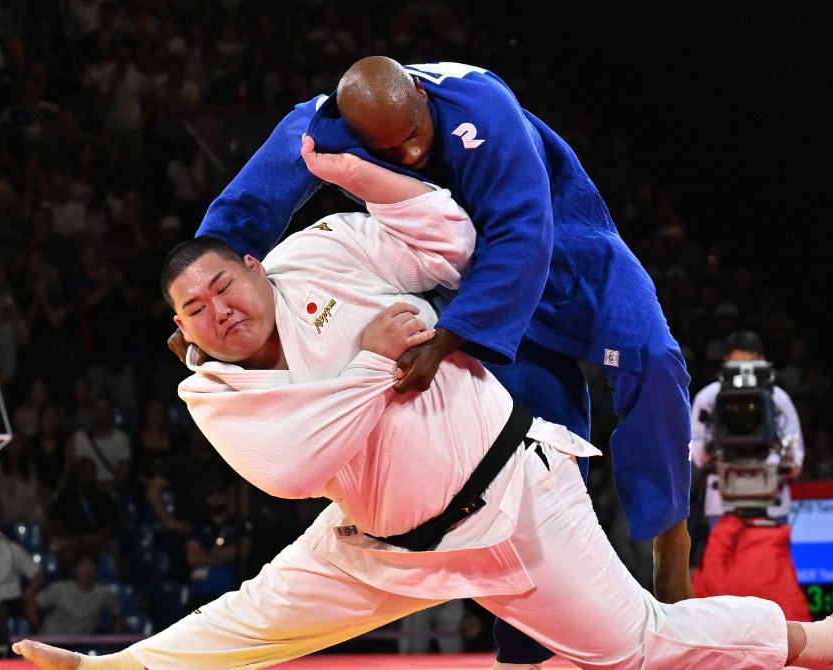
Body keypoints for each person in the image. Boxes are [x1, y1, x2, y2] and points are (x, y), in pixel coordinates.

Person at [15, 138, 833, 670]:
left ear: (250, 262)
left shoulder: (322, 251)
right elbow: (291, 466)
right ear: (181, 332)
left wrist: (357, 175)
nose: (219, 313)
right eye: (193, 312)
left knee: (632, 642)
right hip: (377, 545)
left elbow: (444, 237)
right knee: (251, 623)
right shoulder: (213, 388)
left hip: (512, 500)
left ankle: (810, 642)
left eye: (221, 286)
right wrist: (376, 364)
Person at [179, 56, 694, 668]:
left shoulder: (483, 107)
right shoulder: (319, 126)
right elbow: (236, 222)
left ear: (421, 95)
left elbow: (522, 234)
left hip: (565, 253)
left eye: (416, 133)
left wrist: (450, 338)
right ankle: (531, 646)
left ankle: (671, 538)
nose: (413, 153)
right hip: (461, 281)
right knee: (535, 443)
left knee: (655, 359)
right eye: (390, 149)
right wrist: (193, 318)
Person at [688, 330, 808, 621]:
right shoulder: (708, 398)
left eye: (753, 361)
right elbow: (696, 446)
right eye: (739, 361)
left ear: (763, 361)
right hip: (723, 501)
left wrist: (784, 460)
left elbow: (796, 452)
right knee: (723, 579)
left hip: (771, 501)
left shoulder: (778, 400)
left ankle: (778, 633)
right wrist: (713, 456)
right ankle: (723, 634)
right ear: (726, 360)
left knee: (770, 577)